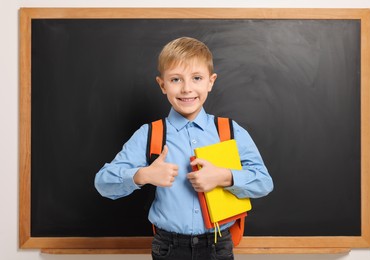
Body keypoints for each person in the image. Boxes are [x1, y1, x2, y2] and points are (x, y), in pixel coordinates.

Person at [95, 37, 273, 260]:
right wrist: (143, 175)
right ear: (162, 85)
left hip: (218, 244)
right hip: (168, 247)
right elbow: (103, 183)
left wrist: (224, 177)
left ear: (210, 81)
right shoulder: (150, 134)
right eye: (176, 79)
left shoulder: (229, 131)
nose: (187, 88)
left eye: (197, 78)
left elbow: (264, 183)